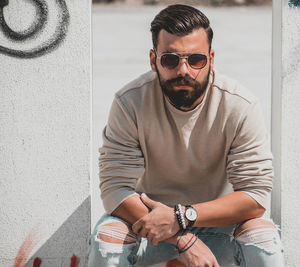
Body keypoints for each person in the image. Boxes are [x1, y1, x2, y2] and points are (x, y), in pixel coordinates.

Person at [88, 4, 284, 267]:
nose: (184, 70)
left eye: (196, 60)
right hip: (151, 230)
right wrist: (182, 237)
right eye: (170, 59)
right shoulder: (130, 102)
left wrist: (182, 217)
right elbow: (115, 188)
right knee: (109, 239)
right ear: (152, 60)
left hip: (219, 230)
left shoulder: (240, 105)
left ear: (211, 59)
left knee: (262, 237)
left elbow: (255, 196)